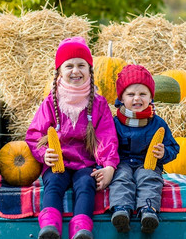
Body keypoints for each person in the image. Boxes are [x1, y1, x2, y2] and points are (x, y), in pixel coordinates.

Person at [26, 37, 120, 239]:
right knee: (53, 182)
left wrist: (109, 166)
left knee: (86, 185)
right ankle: (50, 226)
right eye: (69, 66)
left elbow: (107, 138)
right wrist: (44, 154)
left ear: (90, 70)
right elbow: (35, 135)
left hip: (86, 163)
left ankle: (81, 229)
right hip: (58, 162)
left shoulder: (99, 104)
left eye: (81, 65)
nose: (75, 71)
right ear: (59, 71)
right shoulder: (51, 102)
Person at [109, 64, 180, 234]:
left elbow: (174, 147)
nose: (137, 99)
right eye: (130, 94)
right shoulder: (114, 122)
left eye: (143, 94)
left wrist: (164, 153)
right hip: (122, 163)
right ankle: (121, 211)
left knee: (149, 179)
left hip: (147, 164)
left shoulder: (158, 123)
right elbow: (106, 147)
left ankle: (148, 211)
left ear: (151, 98)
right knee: (121, 179)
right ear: (121, 98)